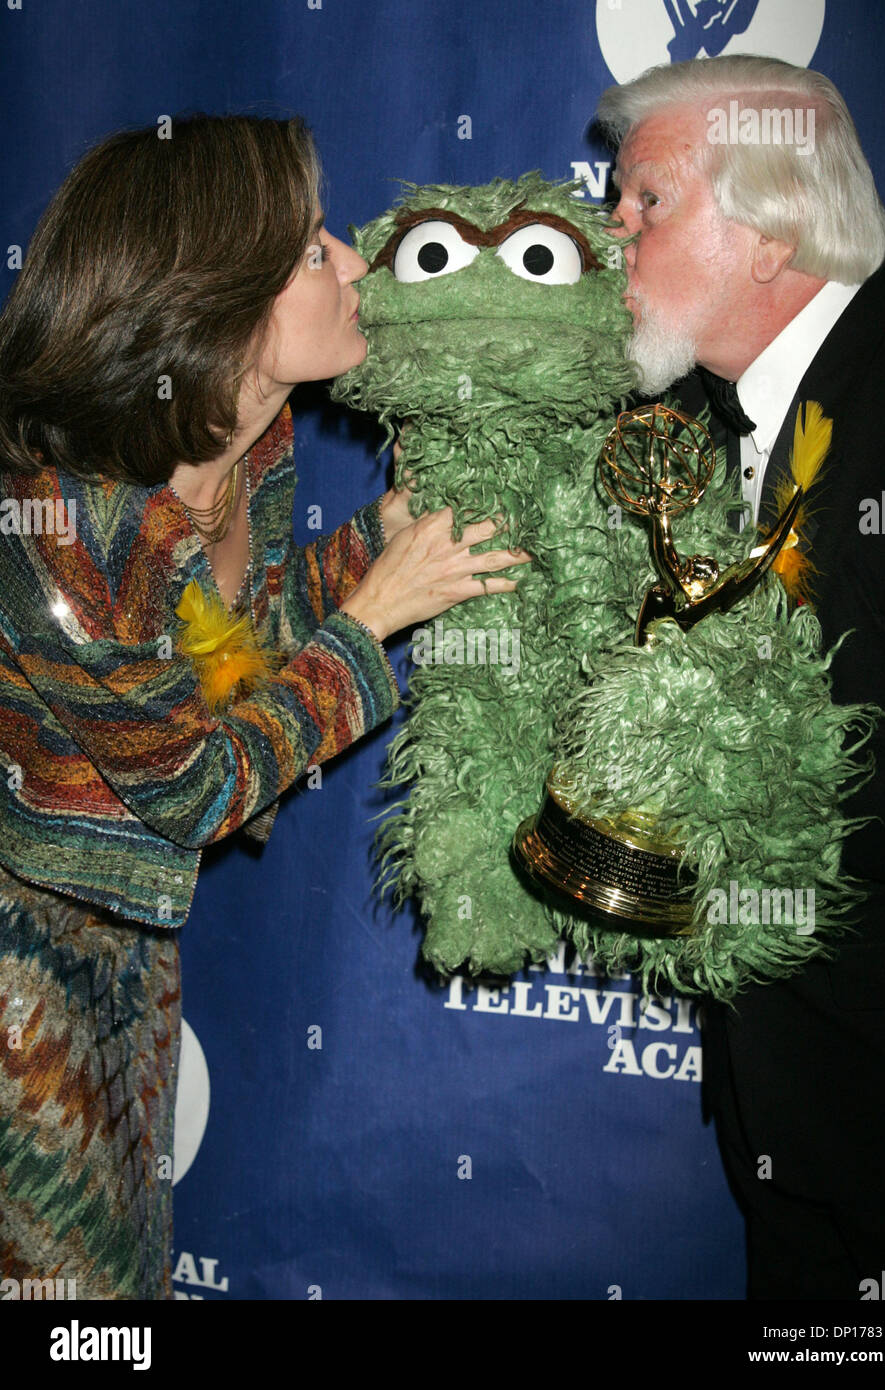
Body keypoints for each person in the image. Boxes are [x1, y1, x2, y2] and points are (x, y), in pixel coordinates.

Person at [0, 114, 528, 1300]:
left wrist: (363, 558)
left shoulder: (252, 439)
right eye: (308, 253)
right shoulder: (67, 521)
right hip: (18, 952)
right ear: (212, 299)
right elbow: (190, 785)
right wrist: (372, 622)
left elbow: (231, 653)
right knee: (59, 1296)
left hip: (127, 938)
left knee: (121, 1274)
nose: (352, 264)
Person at [598, 55, 885, 1299]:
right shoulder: (695, 429)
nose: (610, 237)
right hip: (789, 1109)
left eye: (645, 204)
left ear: (770, 230)